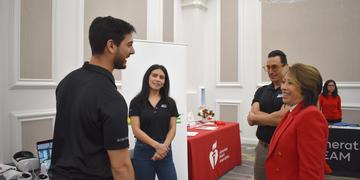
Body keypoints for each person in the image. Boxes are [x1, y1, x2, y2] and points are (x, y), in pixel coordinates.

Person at [50, 16, 136, 180]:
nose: (132, 51)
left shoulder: (66, 82)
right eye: (129, 45)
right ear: (111, 45)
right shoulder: (112, 98)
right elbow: (121, 167)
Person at [266, 63, 328, 180]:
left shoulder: (310, 116)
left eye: (290, 83)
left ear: (306, 88)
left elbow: (311, 171)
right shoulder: (293, 112)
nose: (283, 87)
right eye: (284, 82)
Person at [129, 64, 178, 180]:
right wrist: (157, 146)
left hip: (165, 151)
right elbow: (136, 130)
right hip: (143, 152)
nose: (157, 79)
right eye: (154, 75)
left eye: (162, 77)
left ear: (165, 82)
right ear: (148, 77)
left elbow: (173, 128)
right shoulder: (136, 102)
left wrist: (163, 148)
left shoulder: (170, 102)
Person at [247, 50, 290, 180]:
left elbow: (283, 119)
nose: (271, 71)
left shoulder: (290, 90)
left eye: (275, 67)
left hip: (283, 150)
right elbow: (251, 118)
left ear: (285, 67)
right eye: (268, 67)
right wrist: (275, 117)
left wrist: (258, 117)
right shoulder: (261, 90)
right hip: (262, 148)